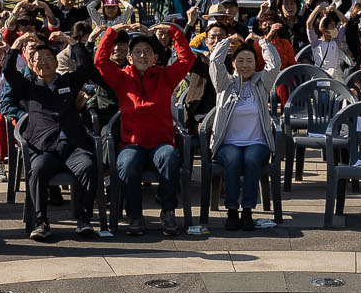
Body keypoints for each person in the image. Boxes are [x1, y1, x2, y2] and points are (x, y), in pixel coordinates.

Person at [92, 22, 194, 236]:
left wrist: (173, 30)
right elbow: (100, 61)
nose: (142, 56)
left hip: (161, 143)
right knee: (127, 164)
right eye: (137, 52)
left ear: (155, 57)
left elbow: (187, 59)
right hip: (133, 144)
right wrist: (112, 32)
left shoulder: (165, 76)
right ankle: (135, 216)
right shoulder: (121, 78)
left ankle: (168, 212)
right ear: (129, 58)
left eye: (148, 52)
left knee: (170, 158)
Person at [1, 37, 101, 241]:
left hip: (73, 145)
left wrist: (72, 42)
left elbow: (85, 66)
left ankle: (84, 219)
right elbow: (8, 71)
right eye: (38, 59)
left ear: (56, 62)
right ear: (31, 65)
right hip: (44, 147)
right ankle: (41, 222)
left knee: (89, 166)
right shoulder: (27, 85)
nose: (43, 62)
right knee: (37, 170)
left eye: (48, 57)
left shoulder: (67, 82)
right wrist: (16, 44)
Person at [206, 33, 277, 230]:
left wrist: (260, 40)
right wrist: (227, 41)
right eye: (240, 61)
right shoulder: (224, 84)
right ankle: (231, 210)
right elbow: (214, 61)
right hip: (228, 143)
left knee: (252, 159)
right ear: (234, 63)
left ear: (256, 63)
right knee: (235, 158)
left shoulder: (262, 83)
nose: (245, 65)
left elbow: (275, 63)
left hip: (257, 142)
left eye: (250, 61)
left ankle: (247, 210)